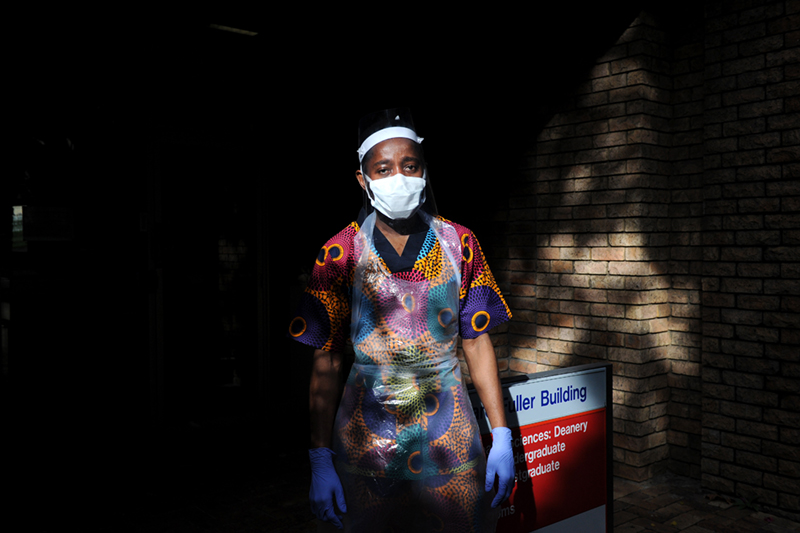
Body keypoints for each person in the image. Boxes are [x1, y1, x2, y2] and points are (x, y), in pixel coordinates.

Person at [288, 108, 514, 532]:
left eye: (409, 166)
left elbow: (477, 341)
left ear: (424, 171)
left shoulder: (459, 242)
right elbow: (327, 359)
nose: (399, 177)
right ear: (363, 179)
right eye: (384, 168)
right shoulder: (340, 253)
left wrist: (500, 434)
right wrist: (319, 457)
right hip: (365, 439)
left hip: (450, 437)